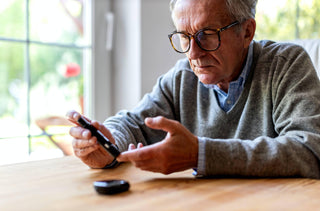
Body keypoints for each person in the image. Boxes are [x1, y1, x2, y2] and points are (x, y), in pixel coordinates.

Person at [67, 0, 320, 178]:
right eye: (184, 37)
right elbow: (133, 123)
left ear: (247, 32)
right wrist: (108, 144)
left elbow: (310, 151)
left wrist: (200, 154)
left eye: (207, 34)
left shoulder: (287, 65)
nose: (193, 53)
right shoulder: (182, 77)